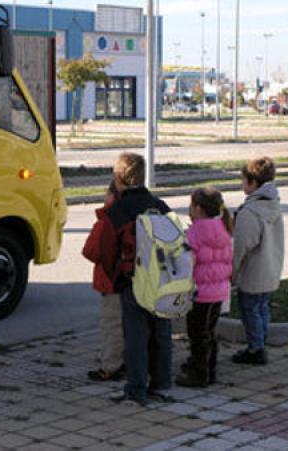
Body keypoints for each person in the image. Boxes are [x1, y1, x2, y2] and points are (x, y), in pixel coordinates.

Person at [94, 152, 173, 406]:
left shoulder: (118, 211)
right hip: (161, 279)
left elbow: (106, 252)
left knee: (136, 335)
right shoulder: (160, 206)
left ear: (118, 178)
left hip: (133, 281)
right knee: (161, 330)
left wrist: (116, 276)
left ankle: (136, 388)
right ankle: (161, 381)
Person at [176, 187, 233, 388]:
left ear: (198, 208)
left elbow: (188, 261)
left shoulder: (195, 232)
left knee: (197, 335)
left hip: (200, 292)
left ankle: (198, 373)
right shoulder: (223, 227)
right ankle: (210, 369)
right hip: (219, 291)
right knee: (210, 332)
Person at [231, 157, 285, 365]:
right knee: (262, 307)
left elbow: (241, 245)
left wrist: (233, 271)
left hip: (252, 271)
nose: (242, 185)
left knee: (250, 309)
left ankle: (256, 349)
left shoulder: (250, 212)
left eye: (244, 180)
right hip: (270, 268)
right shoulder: (273, 205)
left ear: (252, 182)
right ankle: (261, 340)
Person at [82, 181, 125, 382]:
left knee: (111, 324)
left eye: (106, 193)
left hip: (110, 281)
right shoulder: (132, 216)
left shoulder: (106, 221)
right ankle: (122, 359)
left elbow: (90, 251)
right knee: (125, 324)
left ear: (113, 196)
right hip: (128, 280)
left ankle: (110, 365)